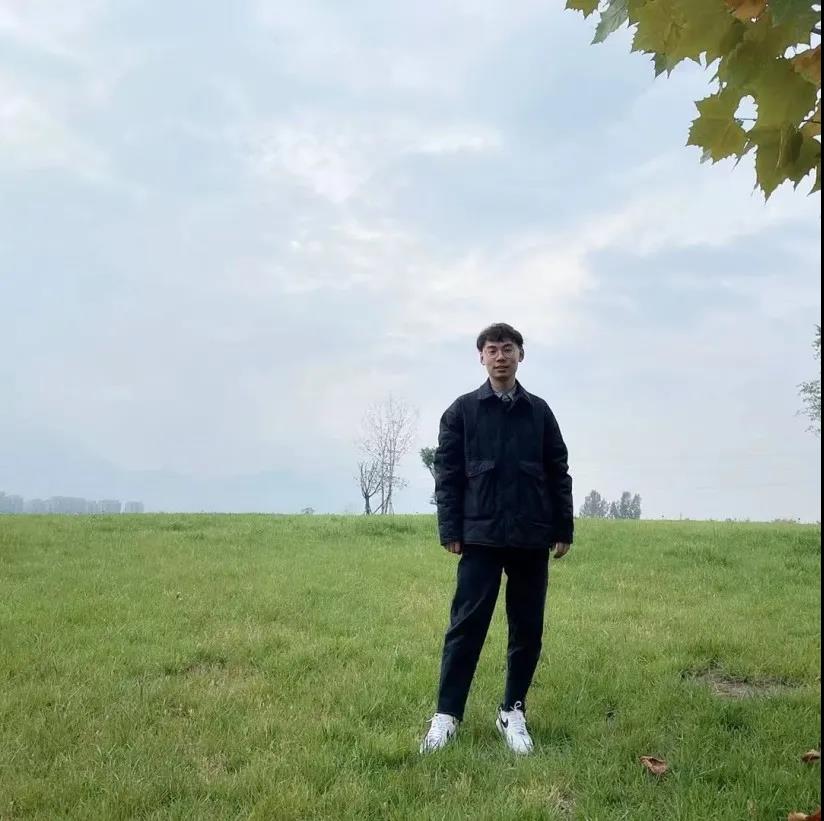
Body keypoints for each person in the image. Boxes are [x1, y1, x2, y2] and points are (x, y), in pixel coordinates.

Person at [420, 322, 573, 755]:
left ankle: (512, 710)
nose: (500, 356)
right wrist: (450, 529)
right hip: (480, 538)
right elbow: (447, 474)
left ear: (521, 355)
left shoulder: (539, 413)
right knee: (465, 627)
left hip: (530, 536)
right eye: (492, 349)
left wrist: (563, 528)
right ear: (481, 357)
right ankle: (447, 715)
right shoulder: (462, 412)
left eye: (508, 348)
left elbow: (557, 472)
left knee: (527, 628)